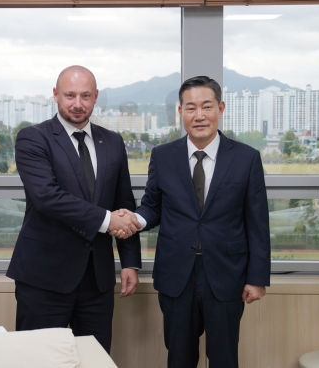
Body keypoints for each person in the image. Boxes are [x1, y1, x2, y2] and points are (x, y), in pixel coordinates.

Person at [114, 75, 270, 368]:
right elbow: (153, 206)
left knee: (224, 359)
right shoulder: (162, 156)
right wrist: (133, 218)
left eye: (206, 106)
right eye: (190, 108)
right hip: (176, 277)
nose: (199, 115)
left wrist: (257, 278)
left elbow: (258, 221)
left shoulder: (247, 158)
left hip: (226, 277)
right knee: (179, 358)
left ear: (220, 108)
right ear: (180, 111)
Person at [6, 65, 142, 353]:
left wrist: (129, 262)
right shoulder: (33, 138)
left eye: (85, 96)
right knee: (39, 360)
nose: (77, 104)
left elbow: (124, 203)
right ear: (55, 95)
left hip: (98, 281)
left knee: (95, 359)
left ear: (96, 97)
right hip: (43, 279)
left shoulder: (113, 142)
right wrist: (106, 220)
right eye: (69, 95)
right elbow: (47, 197)